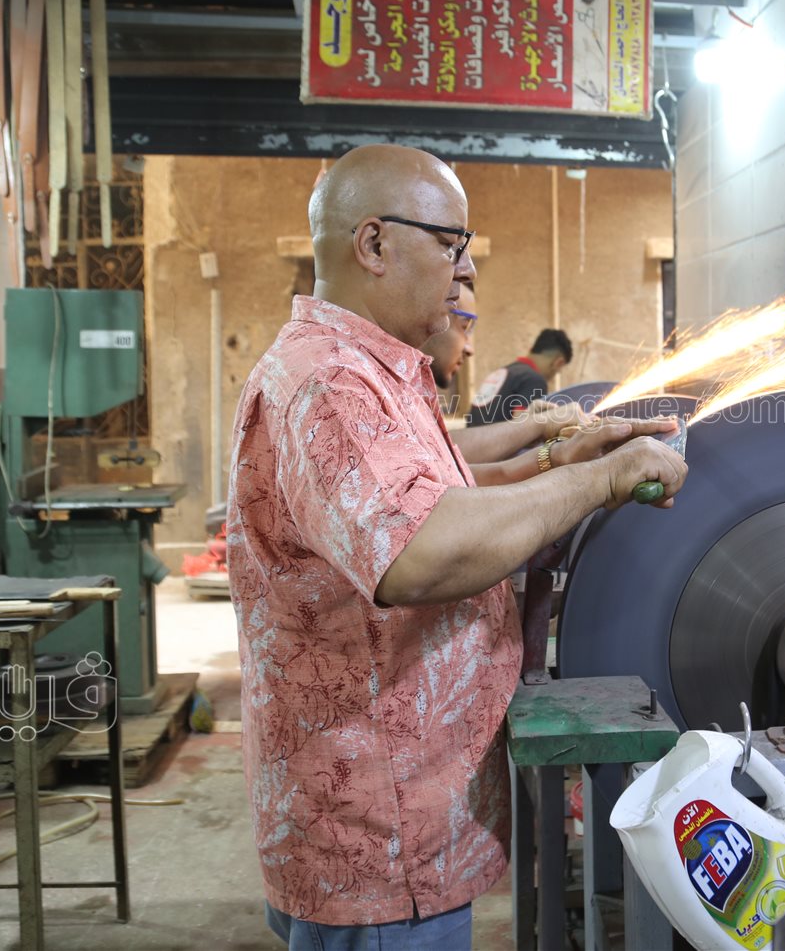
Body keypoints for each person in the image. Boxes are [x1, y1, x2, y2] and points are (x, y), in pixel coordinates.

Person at [226, 144, 686, 951]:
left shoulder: (368, 370)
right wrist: (599, 480)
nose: (465, 267)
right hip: (378, 839)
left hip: (401, 816)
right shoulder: (329, 383)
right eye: (451, 243)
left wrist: (559, 460)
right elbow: (421, 551)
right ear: (374, 244)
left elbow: (438, 485)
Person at [421, 286, 593, 464]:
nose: (470, 349)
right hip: (489, 461)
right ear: (558, 362)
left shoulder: (506, 371)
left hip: (468, 457)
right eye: (465, 327)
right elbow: (523, 429)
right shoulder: (533, 380)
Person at [466, 328, 572, 426]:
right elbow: (521, 427)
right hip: (497, 440)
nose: (553, 378)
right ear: (558, 362)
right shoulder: (534, 380)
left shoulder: (504, 372)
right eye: (559, 371)